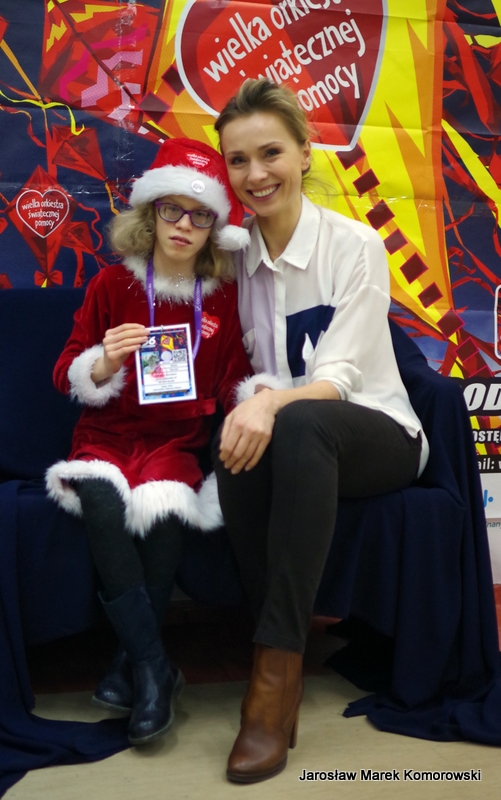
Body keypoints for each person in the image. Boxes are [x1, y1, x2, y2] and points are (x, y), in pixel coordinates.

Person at [212, 79, 429, 783]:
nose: (255, 174)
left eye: (270, 152)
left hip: (380, 434)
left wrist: (268, 404)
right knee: (237, 442)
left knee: (299, 421)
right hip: (299, 437)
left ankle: (273, 684)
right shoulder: (236, 258)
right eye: (238, 160)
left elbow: (337, 380)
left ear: (305, 153)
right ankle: (275, 642)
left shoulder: (355, 244)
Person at [46, 138, 252, 747]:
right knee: (102, 497)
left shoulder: (224, 299)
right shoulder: (111, 285)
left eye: (200, 215)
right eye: (172, 209)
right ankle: (153, 666)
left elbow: (235, 379)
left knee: (163, 508)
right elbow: (64, 373)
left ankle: (130, 665)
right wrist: (103, 362)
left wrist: (253, 409)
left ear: (214, 228)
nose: (184, 225)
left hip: (174, 443)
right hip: (105, 436)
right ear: (151, 213)